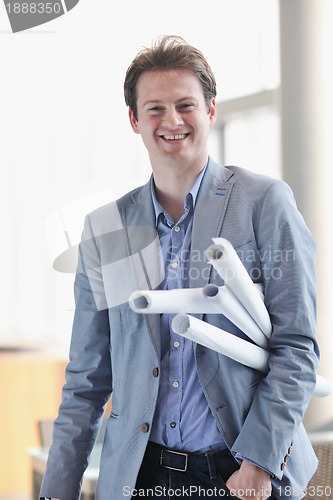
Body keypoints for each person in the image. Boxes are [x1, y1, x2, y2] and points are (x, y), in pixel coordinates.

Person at [40, 35, 319, 500]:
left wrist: (258, 463)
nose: (172, 121)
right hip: (140, 478)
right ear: (134, 119)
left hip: (239, 473)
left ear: (211, 110)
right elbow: (87, 381)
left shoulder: (264, 203)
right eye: (154, 108)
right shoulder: (106, 229)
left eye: (186, 105)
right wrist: (56, 492)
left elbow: (298, 347)